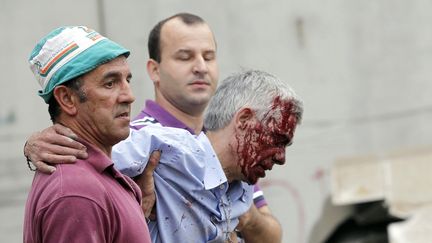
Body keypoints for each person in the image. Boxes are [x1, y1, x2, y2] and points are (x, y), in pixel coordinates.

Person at [24, 13, 289, 242]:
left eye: (209, 56)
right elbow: (77, 170)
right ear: (154, 70)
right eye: (185, 57)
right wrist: (36, 144)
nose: (200, 67)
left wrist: (227, 197)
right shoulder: (131, 141)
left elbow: (271, 235)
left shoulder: (230, 144)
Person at [23, 26, 151, 243]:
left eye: (127, 80)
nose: (129, 96)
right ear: (67, 99)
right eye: (110, 83)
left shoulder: (91, 178)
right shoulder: (76, 193)